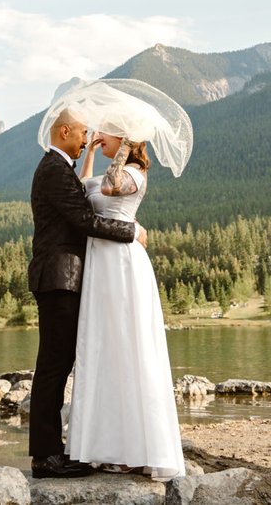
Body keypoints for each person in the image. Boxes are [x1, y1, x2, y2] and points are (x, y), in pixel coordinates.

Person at [29, 108, 147, 479]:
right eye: (82, 133)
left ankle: (56, 451)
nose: (87, 138)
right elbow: (83, 220)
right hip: (59, 278)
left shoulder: (58, 167)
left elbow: (84, 202)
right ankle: (46, 457)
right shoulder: (53, 169)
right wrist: (133, 233)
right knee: (53, 366)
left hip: (68, 278)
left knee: (60, 364)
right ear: (65, 131)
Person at [65, 129, 185, 480]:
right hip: (100, 267)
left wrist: (127, 146)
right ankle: (106, 446)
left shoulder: (134, 173)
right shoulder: (106, 170)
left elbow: (108, 188)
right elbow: (83, 188)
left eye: (107, 133)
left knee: (127, 346)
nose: (99, 135)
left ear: (124, 141)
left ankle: (137, 449)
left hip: (122, 265)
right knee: (104, 348)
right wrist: (89, 151)